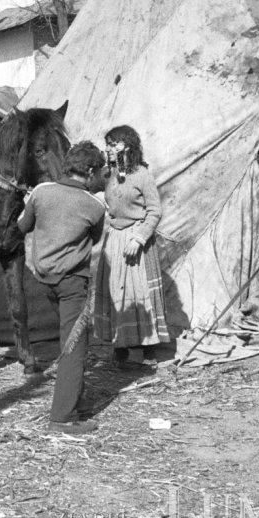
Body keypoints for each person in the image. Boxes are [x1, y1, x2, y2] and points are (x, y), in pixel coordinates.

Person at [18, 141, 106, 435]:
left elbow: (23, 226)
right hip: (72, 283)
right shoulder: (95, 206)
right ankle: (63, 417)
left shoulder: (41, 192)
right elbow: (93, 239)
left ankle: (74, 400)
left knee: (68, 341)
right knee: (74, 346)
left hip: (43, 280)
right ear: (91, 171)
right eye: (99, 173)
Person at [92, 125, 169, 368]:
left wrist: (139, 238)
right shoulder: (108, 175)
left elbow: (154, 210)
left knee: (140, 292)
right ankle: (120, 349)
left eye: (114, 144)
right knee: (116, 292)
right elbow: (83, 187)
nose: (109, 148)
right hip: (114, 239)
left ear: (127, 145)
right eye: (108, 144)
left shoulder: (142, 175)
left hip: (137, 240)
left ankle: (149, 351)